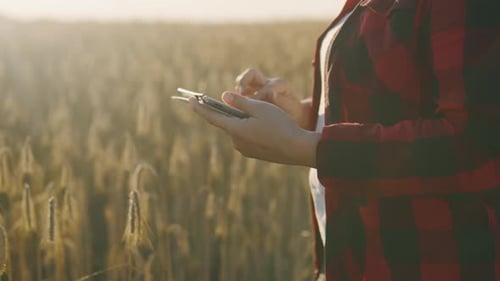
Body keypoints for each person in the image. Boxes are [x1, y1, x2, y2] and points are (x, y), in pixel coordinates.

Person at [189, 0, 500, 280]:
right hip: (356, 255)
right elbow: (391, 104)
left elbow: (475, 142)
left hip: (427, 262)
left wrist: (307, 147)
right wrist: (304, 115)